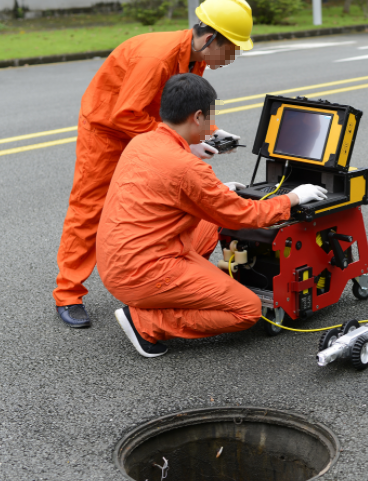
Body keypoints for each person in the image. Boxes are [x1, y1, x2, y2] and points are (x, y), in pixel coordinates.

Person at [96, 73, 328, 357]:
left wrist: (215, 189)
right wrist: (294, 198)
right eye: (210, 118)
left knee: (210, 219)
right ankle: (146, 322)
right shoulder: (188, 168)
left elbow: (170, 191)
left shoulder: (142, 143)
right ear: (196, 117)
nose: (211, 125)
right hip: (142, 272)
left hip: (118, 259)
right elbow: (243, 216)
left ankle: (184, 291)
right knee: (248, 310)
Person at [54, 0, 254, 328]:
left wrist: (212, 132)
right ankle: (68, 293)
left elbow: (184, 106)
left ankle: (170, 274)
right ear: (210, 40)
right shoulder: (157, 57)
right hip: (107, 130)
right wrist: (183, 147)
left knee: (166, 200)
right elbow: (125, 114)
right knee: (90, 208)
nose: (231, 59)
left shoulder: (194, 56)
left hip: (145, 125)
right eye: (231, 50)